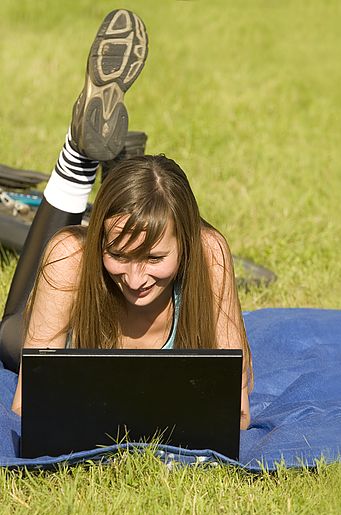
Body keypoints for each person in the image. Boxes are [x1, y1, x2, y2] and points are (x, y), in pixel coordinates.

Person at [0, 9, 252, 429]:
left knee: (140, 208)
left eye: (154, 259)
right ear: (99, 242)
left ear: (186, 244)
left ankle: (115, 159)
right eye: (118, 255)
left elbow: (238, 410)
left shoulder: (209, 252)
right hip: (48, 320)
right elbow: (27, 406)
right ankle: (78, 157)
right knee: (10, 335)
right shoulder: (73, 256)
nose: (135, 280)